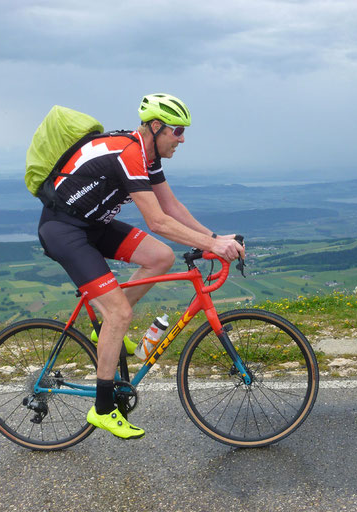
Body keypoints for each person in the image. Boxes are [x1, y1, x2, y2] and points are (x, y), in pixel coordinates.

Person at [37, 93, 245, 439]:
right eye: (177, 131)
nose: (182, 139)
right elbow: (158, 221)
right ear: (156, 126)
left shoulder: (148, 157)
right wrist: (212, 245)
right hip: (64, 230)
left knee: (160, 257)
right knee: (119, 313)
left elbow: (171, 206)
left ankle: (103, 330)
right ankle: (103, 409)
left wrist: (212, 236)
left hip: (94, 225)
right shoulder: (129, 153)